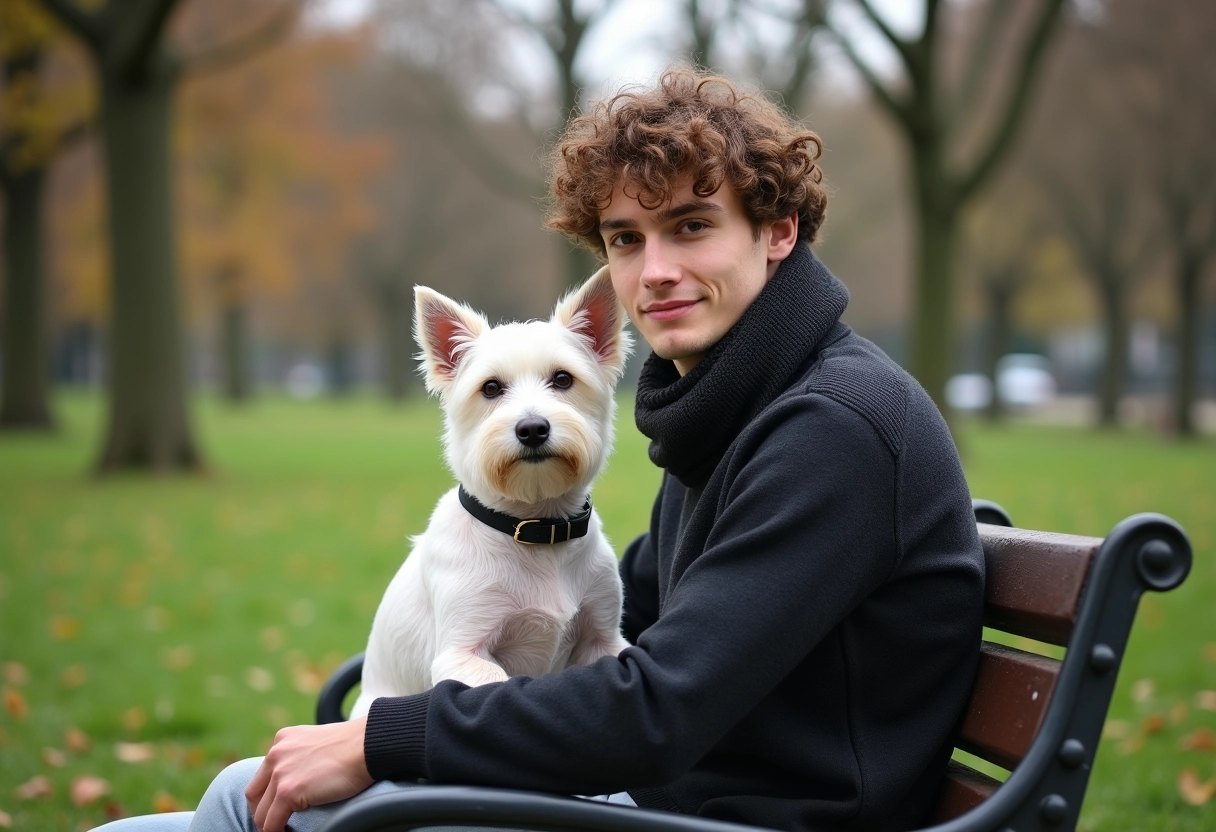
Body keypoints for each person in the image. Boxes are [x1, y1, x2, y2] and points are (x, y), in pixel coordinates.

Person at [96, 67, 984, 832]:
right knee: (243, 799)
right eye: (626, 240)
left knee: (236, 802)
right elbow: (642, 626)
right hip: (675, 800)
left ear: (778, 231)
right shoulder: (743, 404)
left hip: (734, 819)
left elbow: (658, 708)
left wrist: (383, 738)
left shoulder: (832, 427)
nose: (654, 270)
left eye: (691, 226)